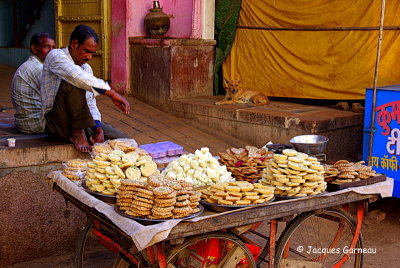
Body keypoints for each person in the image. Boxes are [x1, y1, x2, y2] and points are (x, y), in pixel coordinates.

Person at [40, 25, 130, 152]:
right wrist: (111, 93)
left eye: (92, 53)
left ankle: (82, 129)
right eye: (86, 51)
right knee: (74, 82)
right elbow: (76, 77)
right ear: (74, 44)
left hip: (80, 120)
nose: (89, 57)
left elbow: (89, 102)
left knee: (123, 140)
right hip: (56, 124)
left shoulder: (86, 68)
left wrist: (97, 129)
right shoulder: (55, 56)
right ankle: (77, 132)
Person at [11, 33, 55, 133]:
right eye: (47, 47)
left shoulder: (32, 64)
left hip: (24, 124)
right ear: (35, 48)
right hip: (36, 125)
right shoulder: (39, 69)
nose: (51, 52)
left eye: (53, 47)